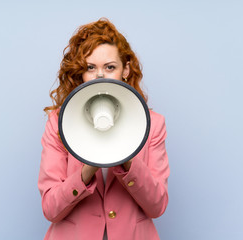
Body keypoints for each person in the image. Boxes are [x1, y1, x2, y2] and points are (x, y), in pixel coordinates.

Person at [38, 18, 170, 240]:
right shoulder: (58, 123)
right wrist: (86, 170)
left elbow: (157, 206)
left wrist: (127, 159)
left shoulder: (153, 124)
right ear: (81, 73)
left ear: (125, 70)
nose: (100, 76)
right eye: (91, 68)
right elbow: (50, 209)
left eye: (110, 67)